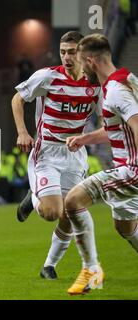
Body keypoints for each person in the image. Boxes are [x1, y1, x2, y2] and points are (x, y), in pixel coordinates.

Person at [11, 31, 102, 279]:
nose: (66, 57)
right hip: (47, 152)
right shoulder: (47, 76)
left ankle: (49, 266)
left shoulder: (95, 84)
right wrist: (22, 132)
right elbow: (18, 99)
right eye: (63, 51)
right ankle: (34, 198)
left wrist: (91, 138)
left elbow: (107, 122)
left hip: (75, 154)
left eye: (72, 52)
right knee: (52, 212)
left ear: (83, 53)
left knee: (70, 214)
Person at [65, 33, 138, 295]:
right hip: (127, 165)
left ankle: (91, 270)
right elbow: (117, 129)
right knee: (125, 228)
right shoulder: (126, 81)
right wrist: (85, 138)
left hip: (132, 169)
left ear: (91, 61)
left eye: (82, 62)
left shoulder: (117, 92)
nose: (81, 68)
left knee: (73, 201)